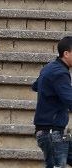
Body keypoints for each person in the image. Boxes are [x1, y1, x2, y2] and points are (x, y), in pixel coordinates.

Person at [32, 36, 72, 166]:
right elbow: (70, 100)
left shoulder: (49, 68)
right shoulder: (60, 73)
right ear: (66, 54)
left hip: (49, 130)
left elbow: (35, 85)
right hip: (52, 132)